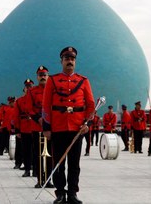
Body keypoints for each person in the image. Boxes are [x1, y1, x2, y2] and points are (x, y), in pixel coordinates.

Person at [42, 47, 95, 204]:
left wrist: (88, 123)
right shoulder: (52, 80)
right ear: (61, 61)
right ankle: (60, 193)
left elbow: (91, 105)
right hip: (58, 128)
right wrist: (46, 127)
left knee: (74, 164)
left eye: (72, 59)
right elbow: (46, 105)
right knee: (58, 163)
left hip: (77, 129)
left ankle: (72, 193)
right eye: (66, 59)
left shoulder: (83, 81)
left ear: (75, 61)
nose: (69, 61)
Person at [27, 66, 54, 188]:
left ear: (48, 76)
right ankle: (39, 179)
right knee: (38, 155)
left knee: (50, 155)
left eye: (45, 74)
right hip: (37, 127)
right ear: (37, 77)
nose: (43, 77)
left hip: (50, 127)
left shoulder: (53, 90)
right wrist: (39, 118)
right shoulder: (32, 92)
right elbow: (29, 108)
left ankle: (48, 179)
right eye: (40, 75)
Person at [13, 79, 34, 172]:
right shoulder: (19, 101)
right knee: (25, 149)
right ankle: (27, 168)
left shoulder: (37, 98)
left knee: (35, 150)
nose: (28, 88)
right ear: (24, 89)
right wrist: (17, 130)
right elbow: (16, 116)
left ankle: (35, 167)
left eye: (30, 86)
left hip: (35, 127)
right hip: (24, 128)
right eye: (27, 87)